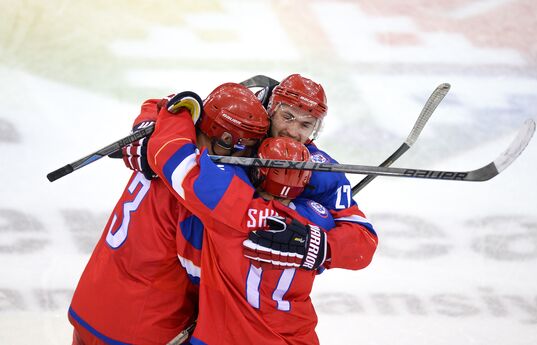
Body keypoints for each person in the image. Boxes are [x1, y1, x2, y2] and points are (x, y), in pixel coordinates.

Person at [68, 83, 272, 345]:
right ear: (226, 141)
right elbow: (208, 277)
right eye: (245, 150)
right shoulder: (196, 195)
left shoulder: (163, 146)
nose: (245, 162)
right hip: (140, 330)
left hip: (90, 304)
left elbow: (169, 105)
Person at [122, 74, 378, 271]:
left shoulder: (319, 168)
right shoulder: (247, 120)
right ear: (271, 108)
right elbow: (179, 105)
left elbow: (363, 239)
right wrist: (148, 129)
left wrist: (320, 247)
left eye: (305, 125)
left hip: (238, 269)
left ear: (315, 129)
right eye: (287, 117)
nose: (292, 131)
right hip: (177, 253)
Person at [146, 105, 336, 343]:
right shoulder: (319, 223)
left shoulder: (227, 207)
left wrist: (177, 109)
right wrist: (326, 248)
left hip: (220, 336)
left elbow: (171, 156)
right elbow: (357, 244)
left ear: (256, 173)